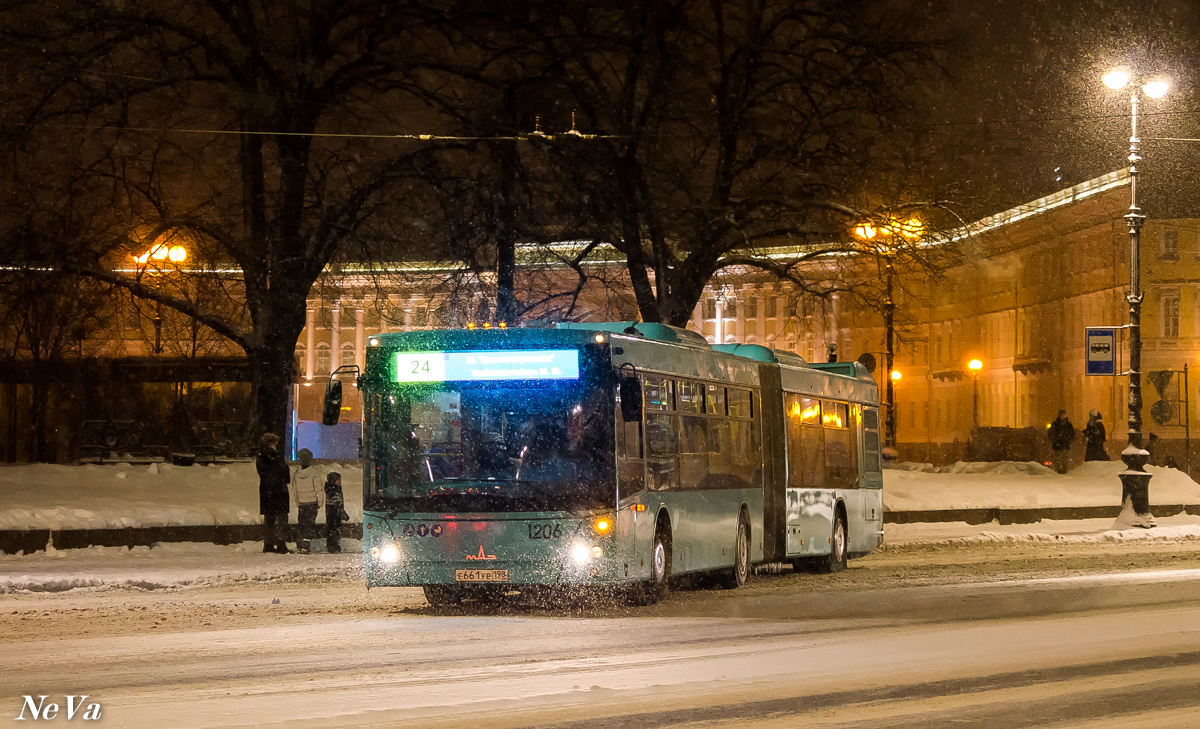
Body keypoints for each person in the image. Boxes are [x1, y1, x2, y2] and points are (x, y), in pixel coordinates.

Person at [256, 433, 291, 553]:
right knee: (281, 519)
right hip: (279, 492)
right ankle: (281, 544)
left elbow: (263, 473)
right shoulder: (277, 457)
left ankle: (268, 544)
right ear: (272, 444)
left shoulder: (260, 457)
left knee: (269, 519)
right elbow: (285, 475)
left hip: (266, 491)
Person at [290, 448, 322, 554]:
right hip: (312, 502)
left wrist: (297, 501)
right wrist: (320, 501)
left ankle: (300, 544)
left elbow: (294, 489)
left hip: (302, 503)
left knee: (302, 524)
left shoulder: (296, 474)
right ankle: (306, 545)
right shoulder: (314, 473)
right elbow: (318, 488)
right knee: (309, 524)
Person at [324, 471, 349, 554]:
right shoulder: (334, 490)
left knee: (333, 529)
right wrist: (342, 513)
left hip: (331, 514)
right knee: (334, 530)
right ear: (333, 481)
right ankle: (333, 546)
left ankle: (333, 546)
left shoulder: (332, 489)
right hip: (334, 514)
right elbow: (337, 504)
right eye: (338, 480)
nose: (340, 482)